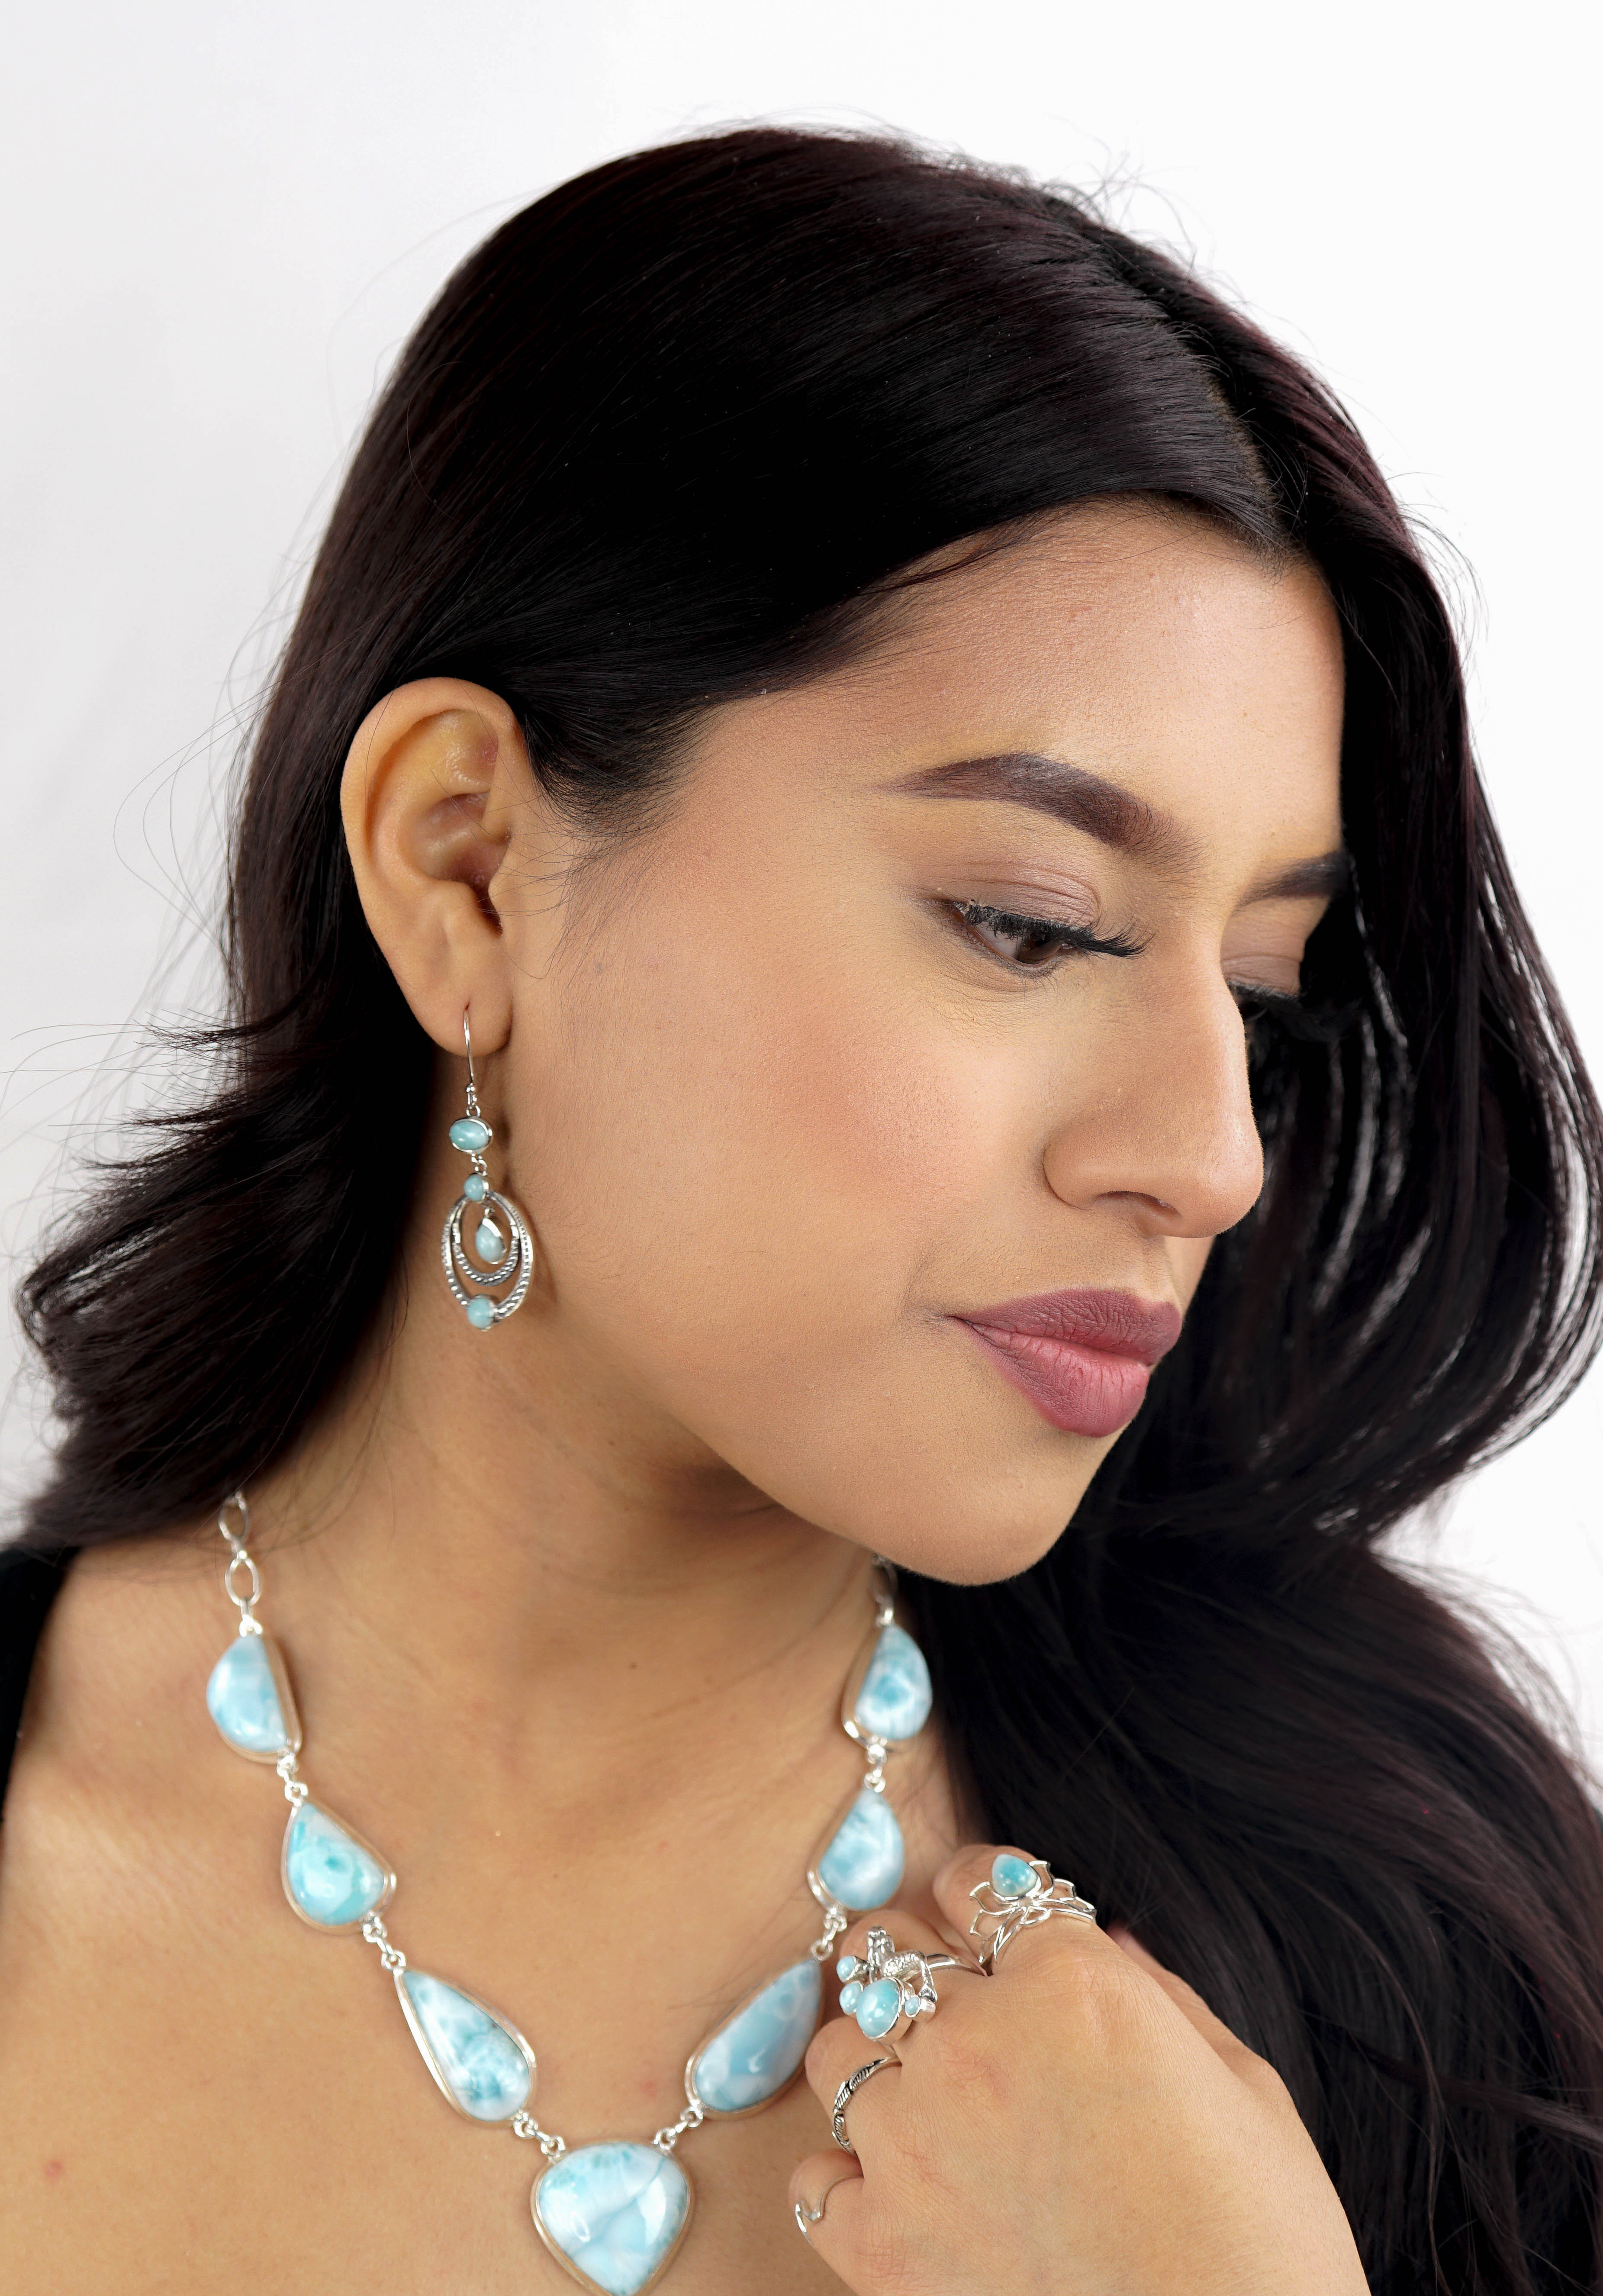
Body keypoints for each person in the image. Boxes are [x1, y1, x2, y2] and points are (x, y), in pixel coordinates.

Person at [0, 125, 1599, 2296]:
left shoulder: (1418, 1952)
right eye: (1030, 925)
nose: (1208, 1155)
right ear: (465, 867)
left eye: (1260, 996)